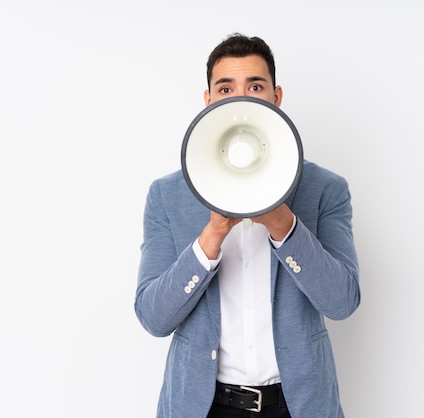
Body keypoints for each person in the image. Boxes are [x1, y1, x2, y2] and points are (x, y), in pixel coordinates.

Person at [135, 33, 361, 418]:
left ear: (276, 97)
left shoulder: (325, 189)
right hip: (203, 406)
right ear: (208, 101)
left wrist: (283, 224)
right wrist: (212, 237)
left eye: (255, 86)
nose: (240, 98)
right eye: (226, 88)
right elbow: (154, 318)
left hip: (297, 405)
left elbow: (342, 302)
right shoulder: (167, 195)